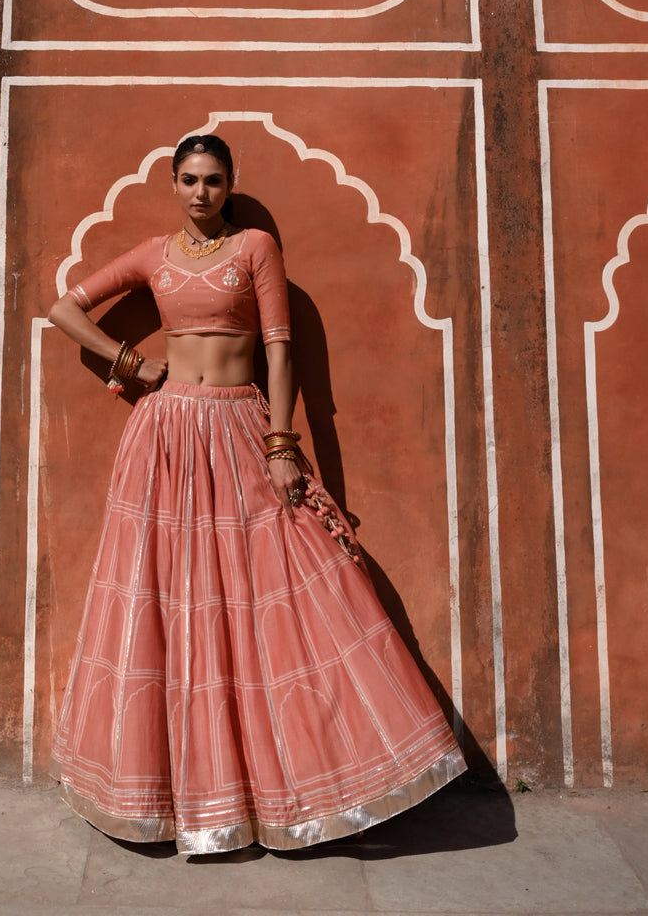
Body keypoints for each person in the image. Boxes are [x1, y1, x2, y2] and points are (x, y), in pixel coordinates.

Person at [47, 133, 466, 854]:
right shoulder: (153, 254)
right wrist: (129, 362)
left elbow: (280, 347)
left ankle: (307, 786)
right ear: (173, 185)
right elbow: (65, 309)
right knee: (170, 594)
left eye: (211, 180)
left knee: (278, 584)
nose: (199, 192)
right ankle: (181, 799)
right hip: (168, 435)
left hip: (241, 427)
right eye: (187, 180)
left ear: (229, 183)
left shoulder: (256, 249)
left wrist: (283, 443)